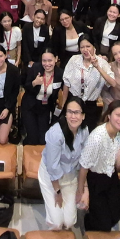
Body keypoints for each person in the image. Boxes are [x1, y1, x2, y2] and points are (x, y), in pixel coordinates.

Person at [78, 101, 120, 232]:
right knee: (103, 224)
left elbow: (118, 166)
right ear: (108, 116)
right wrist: (83, 191)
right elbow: (84, 166)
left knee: (115, 216)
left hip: (111, 177)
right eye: (118, 115)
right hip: (95, 179)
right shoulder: (97, 137)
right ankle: (89, 225)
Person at [39, 97, 88, 230]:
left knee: (69, 222)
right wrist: (58, 192)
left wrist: (83, 188)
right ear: (65, 114)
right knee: (57, 223)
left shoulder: (84, 131)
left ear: (83, 116)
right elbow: (52, 167)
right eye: (70, 112)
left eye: (77, 112)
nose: (73, 116)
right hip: (51, 177)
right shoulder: (55, 133)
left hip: (71, 175)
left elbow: (84, 161)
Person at [63, 36, 114, 128]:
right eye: (82, 47)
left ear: (94, 47)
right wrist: (63, 105)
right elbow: (66, 84)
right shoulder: (74, 60)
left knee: (88, 136)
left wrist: (97, 67)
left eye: (88, 46)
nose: (85, 50)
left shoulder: (102, 63)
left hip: (91, 105)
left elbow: (112, 83)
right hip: (74, 102)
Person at [22, 50, 64, 145]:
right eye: (44, 61)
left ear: (56, 59)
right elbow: (26, 86)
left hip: (45, 107)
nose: (47, 64)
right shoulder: (35, 68)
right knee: (33, 139)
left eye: (50, 60)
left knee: (43, 140)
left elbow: (63, 91)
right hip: (30, 106)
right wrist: (34, 83)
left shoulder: (59, 74)